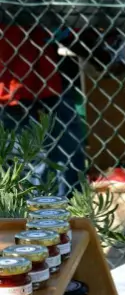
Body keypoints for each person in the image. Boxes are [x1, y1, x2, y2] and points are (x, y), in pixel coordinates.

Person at [0, 24, 85, 196]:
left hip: (44, 82)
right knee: (33, 162)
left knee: (62, 154)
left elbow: (64, 29)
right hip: (16, 88)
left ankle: (62, 210)